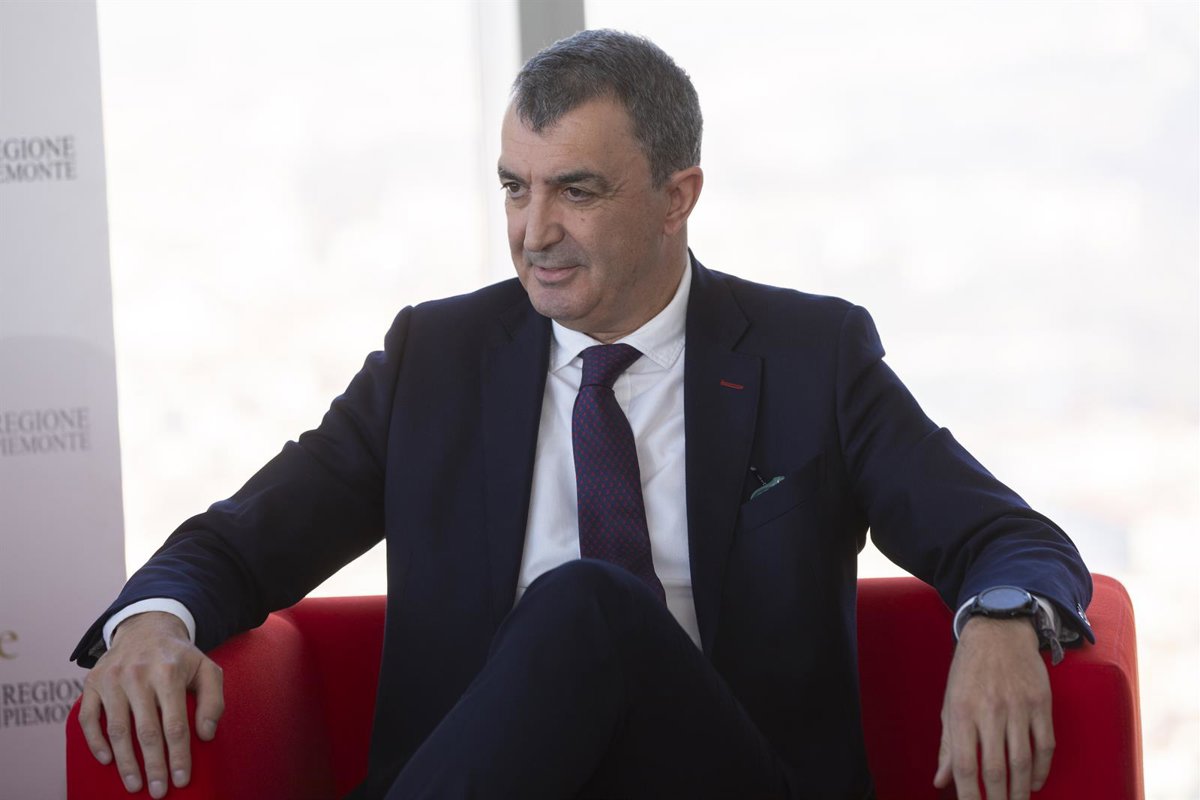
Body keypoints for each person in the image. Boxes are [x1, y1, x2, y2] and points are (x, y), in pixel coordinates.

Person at [72, 29, 1092, 800]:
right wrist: (153, 622)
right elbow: (239, 544)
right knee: (579, 606)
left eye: (577, 191)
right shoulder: (436, 360)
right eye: (515, 188)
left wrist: (1000, 620)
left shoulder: (807, 357)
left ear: (677, 196)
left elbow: (1009, 537)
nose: (534, 231)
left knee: (588, 603)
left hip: (726, 774)